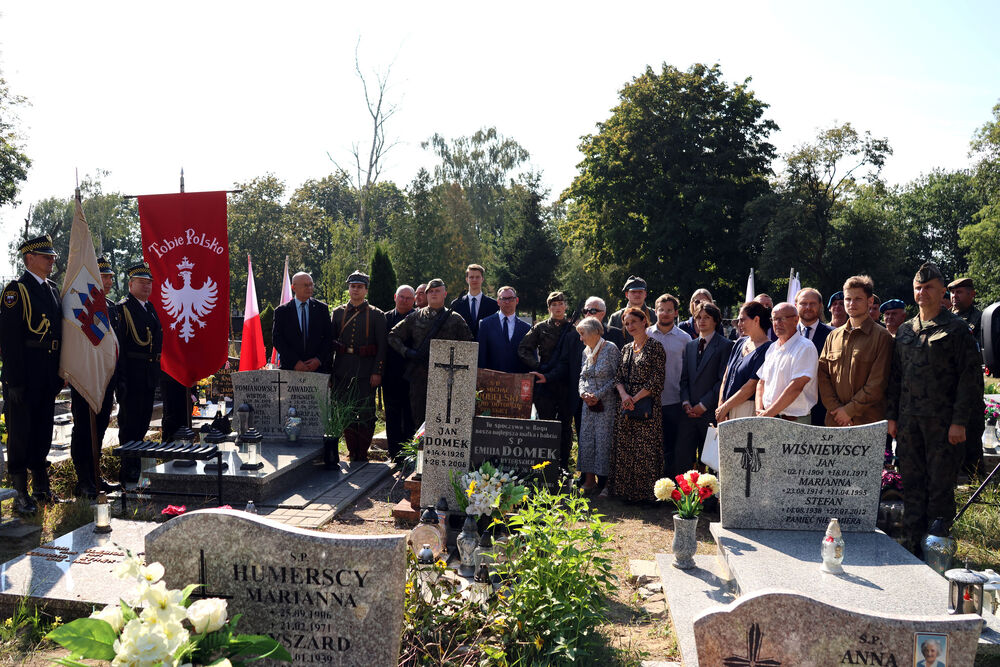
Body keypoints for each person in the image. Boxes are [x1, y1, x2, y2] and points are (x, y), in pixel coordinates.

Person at [886, 262, 983, 555]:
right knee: (912, 483)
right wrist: (892, 416)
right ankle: (913, 546)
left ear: (942, 291)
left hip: (943, 424)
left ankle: (937, 549)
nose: (922, 292)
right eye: (918, 287)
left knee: (940, 487)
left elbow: (970, 381)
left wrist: (960, 422)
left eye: (929, 287)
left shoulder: (957, 330)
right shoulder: (905, 330)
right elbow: (895, 378)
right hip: (909, 423)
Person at [0, 235, 64, 513]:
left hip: (47, 374)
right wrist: (13, 380)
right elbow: (10, 339)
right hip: (24, 375)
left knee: (42, 432)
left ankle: (41, 486)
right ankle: (19, 494)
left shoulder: (51, 289)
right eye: (46, 257)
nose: (52, 261)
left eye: (52, 257)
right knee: (20, 434)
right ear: (30, 259)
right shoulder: (17, 291)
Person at [69, 256, 121, 498]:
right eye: (104, 276)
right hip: (85, 375)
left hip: (105, 378)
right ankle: (83, 480)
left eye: (111, 276)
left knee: (99, 427)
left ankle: (95, 473)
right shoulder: (79, 305)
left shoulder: (110, 306)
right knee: (83, 428)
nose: (109, 281)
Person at [388, 278, 473, 426]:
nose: (434, 294)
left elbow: (470, 346)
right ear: (426, 295)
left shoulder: (456, 319)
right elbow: (393, 336)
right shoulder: (415, 317)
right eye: (430, 291)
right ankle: (420, 449)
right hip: (419, 377)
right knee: (419, 419)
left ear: (444, 294)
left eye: (437, 291)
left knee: (445, 419)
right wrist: (407, 352)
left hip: (447, 378)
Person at [817, 275, 894, 427]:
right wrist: (837, 409)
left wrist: (849, 411)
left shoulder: (882, 336)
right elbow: (822, 376)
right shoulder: (833, 336)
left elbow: (877, 383)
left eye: (858, 299)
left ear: (870, 301)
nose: (851, 303)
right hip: (835, 420)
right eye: (848, 299)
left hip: (868, 421)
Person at [609, 307, 665, 503]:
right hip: (625, 405)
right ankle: (626, 493)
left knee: (645, 451)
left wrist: (635, 398)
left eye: (633, 321)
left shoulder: (656, 347)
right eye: (626, 323)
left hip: (646, 405)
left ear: (644, 321)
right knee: (626, 449)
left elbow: (657, 380)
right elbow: (618, 377)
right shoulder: (625, 349)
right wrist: (625, 396)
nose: (630, 326)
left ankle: (646, 496)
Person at [330, 271, 387, 462]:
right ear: (349, 288)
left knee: (365, 411)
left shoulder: (377, 315)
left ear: (365, 290)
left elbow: (382, 347)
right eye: (353, 286)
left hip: (365, 371)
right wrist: (331, 372)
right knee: (345, 410)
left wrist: (377, 371)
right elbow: (331, 344)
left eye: (359, 287)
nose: (355, 290)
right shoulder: (338, 313)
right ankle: (351, 450)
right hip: (342, 370)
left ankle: (362, 452)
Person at [116, 263, 163, 483]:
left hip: (148, 374)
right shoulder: (123, 309)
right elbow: (120, 348)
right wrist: (121, 378)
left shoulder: (150, 308)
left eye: (149, 282)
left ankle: (137, 463)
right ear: (131, 284)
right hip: (132, 375)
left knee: (143, 422)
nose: (146, 286)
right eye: (142, 282)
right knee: (130, 424)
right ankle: (128, 467)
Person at [518, 291, 576, 469]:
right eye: (554, 305)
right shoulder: (540, 327)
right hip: (545, 384)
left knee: (565, 427)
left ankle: (564, 466)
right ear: (549, 307)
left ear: (565, 306)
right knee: (545, 426)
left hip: (566, 383)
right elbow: (523, 349)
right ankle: (546, 467)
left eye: (560, 304)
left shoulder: (573, 329)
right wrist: (537, 367)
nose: (558, 308)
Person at [675, 303, 732, 475]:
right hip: (688, 413)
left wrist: (703, 405)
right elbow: (684, 378)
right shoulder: (690, 345)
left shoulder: (725, 345)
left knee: (711, 461)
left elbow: (722, 381)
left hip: (710, 412)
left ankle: (709, 501)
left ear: (716, 321)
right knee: (683, 457)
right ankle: (684, 498)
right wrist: (686, 402)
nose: (701, 321)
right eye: (698, 317)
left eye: (706, 317)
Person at [646, 293, 691, 476]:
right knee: (651, 446)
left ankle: (670, 486)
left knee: (672, 446)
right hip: (648, 400)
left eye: (669, 310)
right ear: (655, 311)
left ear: (676, 313)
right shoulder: (646, 334)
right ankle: (651, 486)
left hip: (674, 400)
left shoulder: (685, 338)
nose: (665, 313)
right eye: (661, 310)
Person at [576, 317, 621, 494]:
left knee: (604, 441)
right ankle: (589, 480)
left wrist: (598, 394)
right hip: (588, 404)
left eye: (582, 334)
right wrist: (583, 393)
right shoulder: (585, 351)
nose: (581, 338)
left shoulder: (610, 348)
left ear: (596, 332)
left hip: (606, 404)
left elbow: (617, 378)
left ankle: (608, 484)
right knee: (587, 440)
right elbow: (582, 376)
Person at [755, 302, 819, 423]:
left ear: (796, 320)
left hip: (793, 422)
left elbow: (796, 387)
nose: (776, 323)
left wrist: (767, 415)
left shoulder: (805, 347)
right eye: (774, 319)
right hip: (768, 418)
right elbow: (761, 382)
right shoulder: (772, 347)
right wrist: (759, 410)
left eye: (781, 319)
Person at [716, 301, 772, 423]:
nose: (739, 324)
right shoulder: (740, 342)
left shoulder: (768, 348)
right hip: (726, 406)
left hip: (746, 410)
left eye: (742, 320)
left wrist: (726, 407)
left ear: (756, 320)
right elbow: (726, 376)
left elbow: (751, 386)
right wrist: (721, 404)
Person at [271, 272, 333, 373]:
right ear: (293, 287)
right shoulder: (282, 311)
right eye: (305, 285)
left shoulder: (322, 309)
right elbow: (278, 339)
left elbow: (329, 337)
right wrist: (295, 362)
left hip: (317, 370)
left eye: (311, 284)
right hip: (290, 369)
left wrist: (318, 360)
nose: (309, 288)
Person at [383, 285, 416, 459]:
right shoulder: (385, 318)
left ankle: (410, 455)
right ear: (395, 297)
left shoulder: (418, 318)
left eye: (408, 298)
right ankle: (395, 454)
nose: (404, 300)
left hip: (412, 376)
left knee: (410, 417)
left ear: (414, 301)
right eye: (401, 297)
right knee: (392, 416)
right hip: (390, 375)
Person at [795, 287, 833, 426]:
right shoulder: (785, 335)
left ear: (820, 306)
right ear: (796, 305)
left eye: (813, 303)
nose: (808, 307)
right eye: (803, 303)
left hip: (823, 407)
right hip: (791, 408)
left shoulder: (833, 335)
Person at [477, 286, 530, 373]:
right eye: (503, 299)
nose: (507, 302)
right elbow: (481, 358)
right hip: (492, 382)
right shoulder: (485, 324)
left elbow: (530, 358)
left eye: (511, 298)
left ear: (517, 301)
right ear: (498, 301)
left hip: (517, 380)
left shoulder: (526, 328)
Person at [450, 264, 498, 338]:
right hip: (464, 346)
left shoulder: (493, 305)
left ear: (482, 279)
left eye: (477, 277)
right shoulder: (456, 304)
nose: (474, 280)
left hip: (486, 347)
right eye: (471, 277)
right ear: (467, 279)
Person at [609, 276, 655, 344]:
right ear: (626, 294)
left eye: (640, 292)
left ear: (645, 294)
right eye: (633, 292)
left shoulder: (655, 315)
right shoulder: (616, 318)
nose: (637, 294)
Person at [949, 277, 982, 347]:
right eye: (952, 292)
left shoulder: (980, 319)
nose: (954, 295)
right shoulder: (942, 316)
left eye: (959, 292)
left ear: (972, 294)